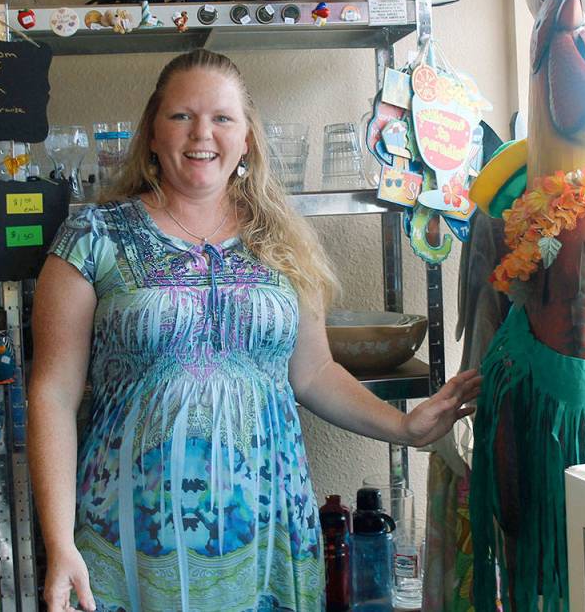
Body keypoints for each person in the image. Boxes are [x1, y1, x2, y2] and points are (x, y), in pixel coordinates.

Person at [28, 49, 482, 612]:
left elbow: (314, 373)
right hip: (127, 542)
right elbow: (51, 395)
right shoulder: (92, 236)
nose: (202, 134)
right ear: (151, 131)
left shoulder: (283, 240)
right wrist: (59, 542)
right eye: (181, 116)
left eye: (222, 118)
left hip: (268, 535)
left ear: (247, 139)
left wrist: (407, 428)